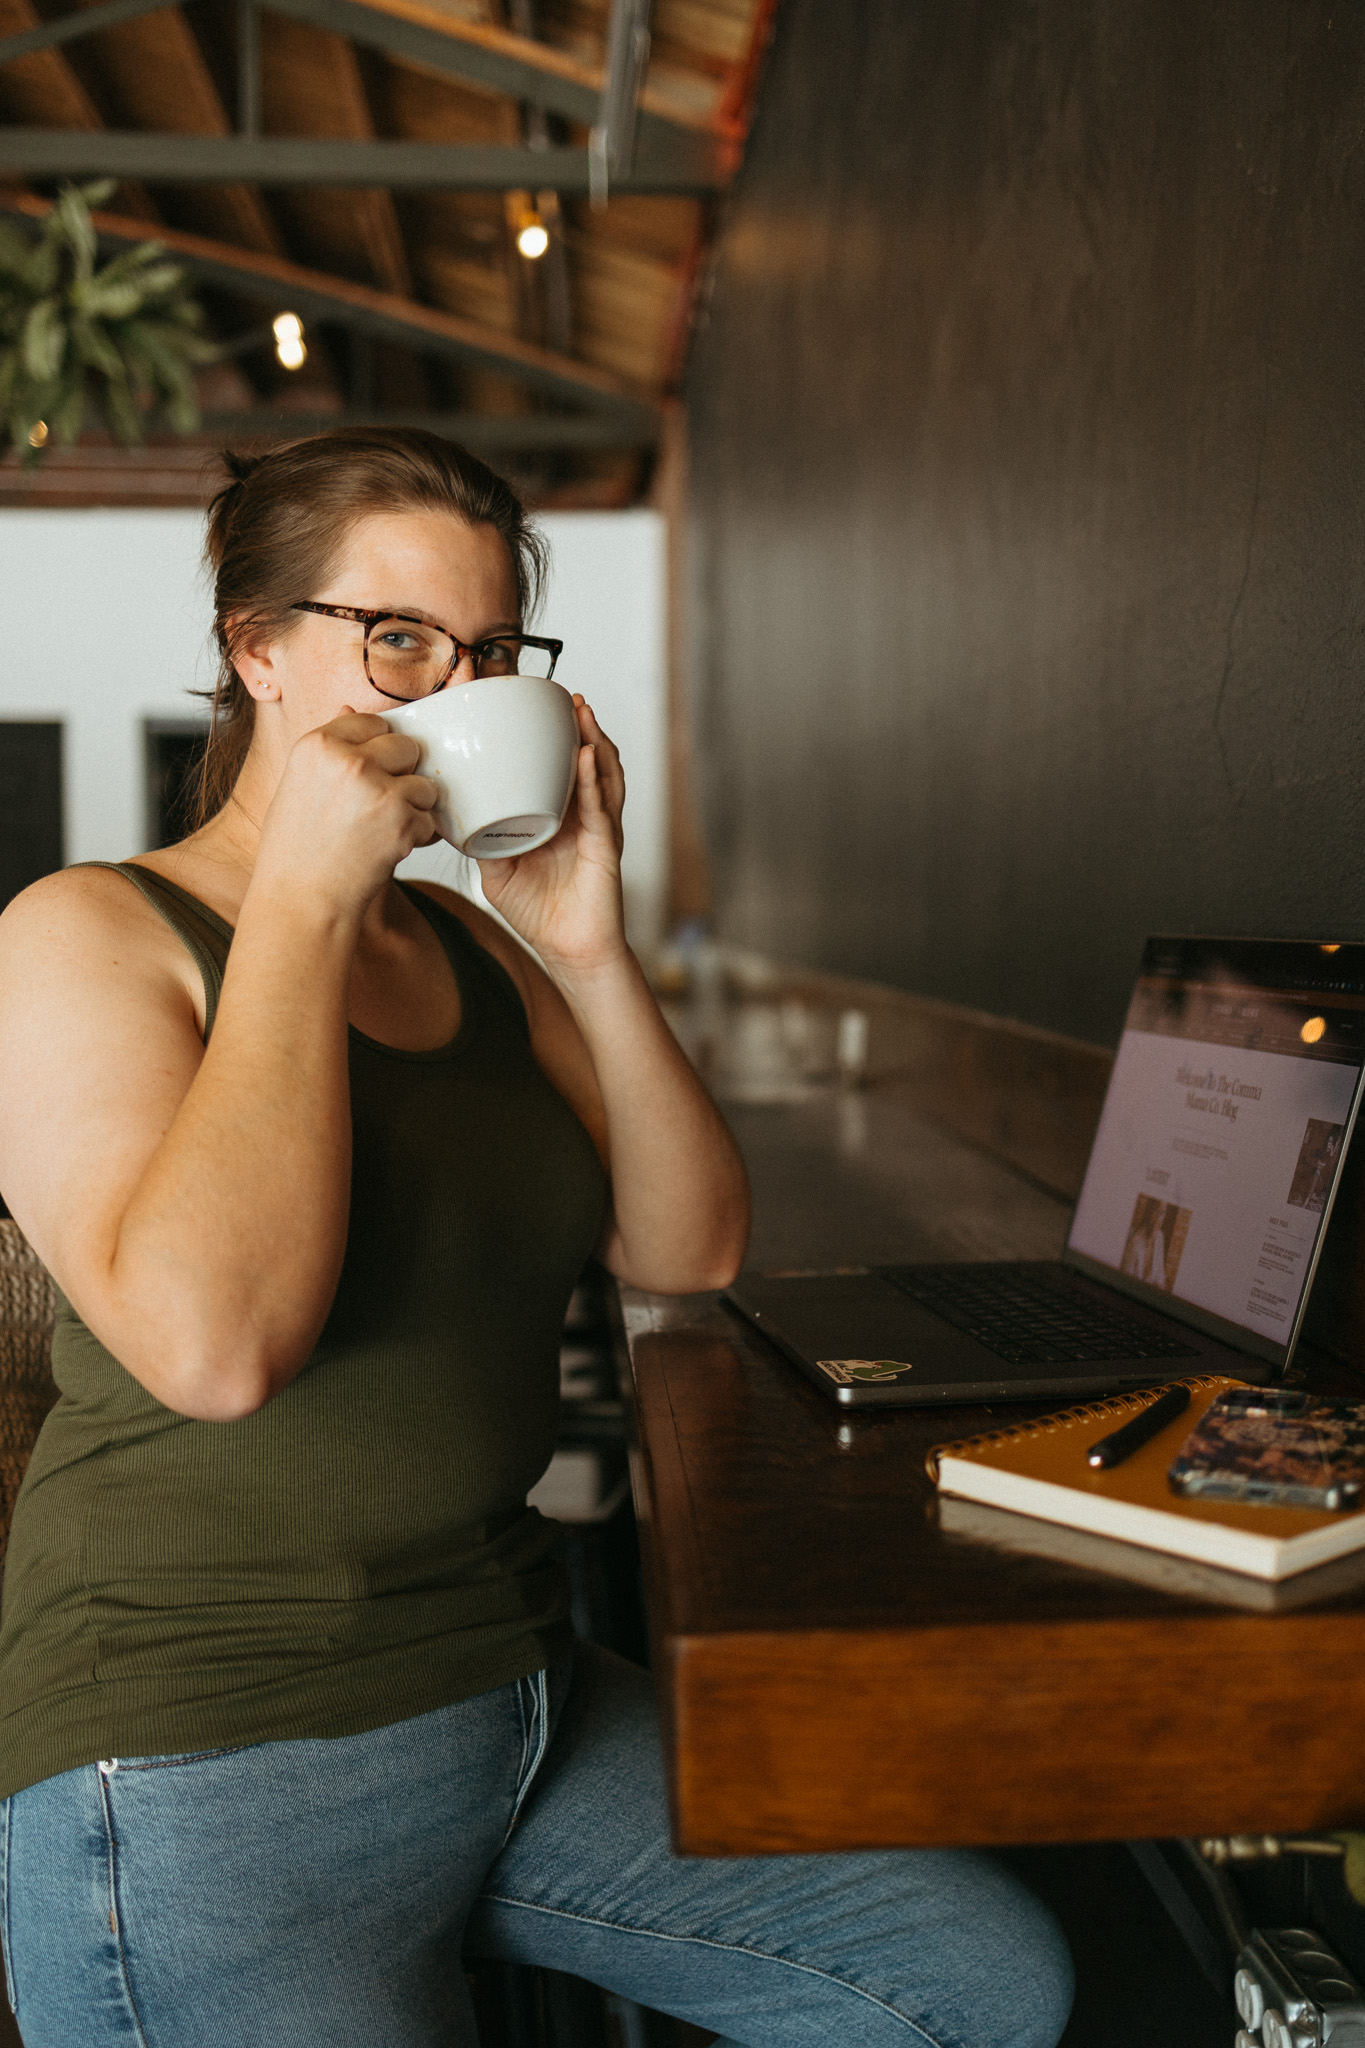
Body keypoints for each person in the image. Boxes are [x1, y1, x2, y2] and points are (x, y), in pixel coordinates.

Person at [0, 430, 1071, 2048]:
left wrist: (584, 945)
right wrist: (297, 905)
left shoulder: (466, 950)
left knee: (971, 1985)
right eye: (401, 641)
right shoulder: (85, 933)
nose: (451, 689)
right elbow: (217, 1352)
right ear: (257, 651)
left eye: (492, 650)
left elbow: (687, 1244)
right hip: (213, 1746)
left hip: (510, 1688)